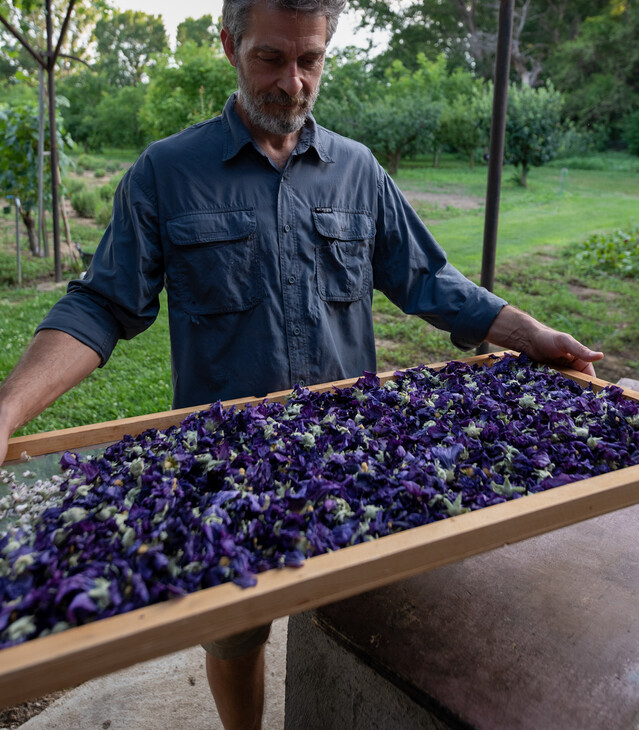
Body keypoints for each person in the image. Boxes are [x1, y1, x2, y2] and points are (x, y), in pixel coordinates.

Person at [0, 0, 603, 726]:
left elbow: (427, 279)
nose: (292, 83)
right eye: (270, 58)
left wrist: (526, 331)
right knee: (234, 636)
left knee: (368, 615)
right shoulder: (167, 172)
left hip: (352, 456)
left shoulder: (357, 170)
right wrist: (8, 411)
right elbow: (101, 306)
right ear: (228, 45)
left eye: (310, 60)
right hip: (228, 461)